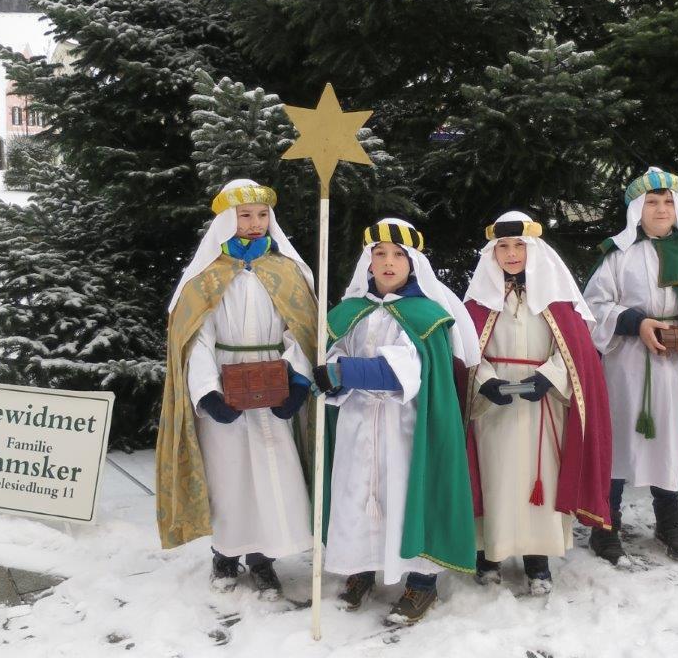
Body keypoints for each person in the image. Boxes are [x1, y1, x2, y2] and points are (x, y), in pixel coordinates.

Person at [155, 179, 318, 600]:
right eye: (245, 216)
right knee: (228, 477)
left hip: (273, 387)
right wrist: (207, 393)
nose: (254, 223)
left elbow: (301, 330)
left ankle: (263, 559)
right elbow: (197, 338)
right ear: (227, 221)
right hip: (226, 387)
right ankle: (225, 555)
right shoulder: (205, 277)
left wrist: (297, 380)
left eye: (262, 215)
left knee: (272, 475)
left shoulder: (287, 272)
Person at [312, 218, 480, 626]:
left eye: (398, 255)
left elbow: (402, 371)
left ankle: (422, 583)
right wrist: (327, 374)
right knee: (357, 494)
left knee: (404, 497)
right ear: (368, 262)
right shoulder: (348, 313)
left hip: (405, 427)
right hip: (357, 422)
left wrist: (343, 372)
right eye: (380, 254)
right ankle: (360, 568)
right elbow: (330, 360)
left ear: (413, 263)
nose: (388, 262)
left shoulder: (427, 316)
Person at [583, 167, 678, 563]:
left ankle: (670, 522)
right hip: (624, 363)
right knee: (617, 438)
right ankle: (606, 526)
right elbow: (593, 307)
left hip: (674, 365)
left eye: (668, 202)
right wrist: (637, 323)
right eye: (651, 202)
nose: (661, 209)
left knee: (670, 438)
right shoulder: (618, 255)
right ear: (637, 209)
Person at [462, 211, 613, 594]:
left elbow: (577, 351)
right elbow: (465, 352)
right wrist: (485, 382)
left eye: (519, 245)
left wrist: (549, 377)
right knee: (495, 479)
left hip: (543, 408)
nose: (511, 254)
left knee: (540, 479)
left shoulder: (557, 301)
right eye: (503, 247)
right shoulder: (478, 303)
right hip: (493, 411)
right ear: (493, 253)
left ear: (534, 249)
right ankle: (490, 553)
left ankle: (537, 559)